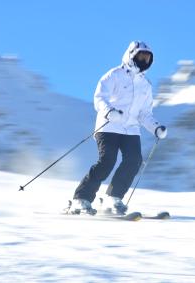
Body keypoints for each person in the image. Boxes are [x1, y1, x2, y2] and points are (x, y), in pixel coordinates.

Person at [68, 40, 167, 215]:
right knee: (107, 161)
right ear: (131, 55)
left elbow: (144, 113)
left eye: (147, 58)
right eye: (141, 56)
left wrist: (156, 128)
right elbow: (99, 97)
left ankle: (113, 199)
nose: (144, 60)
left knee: (134, 161)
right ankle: (81, 199)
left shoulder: (146, 85)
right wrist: (109, 112)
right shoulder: (114, 75)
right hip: (109, 126)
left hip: (131, 129)